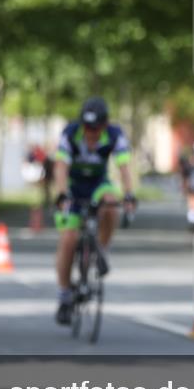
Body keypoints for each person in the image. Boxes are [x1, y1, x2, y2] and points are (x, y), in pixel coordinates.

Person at [52, 97, 137, 324]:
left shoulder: (115, 134)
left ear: (104, 125)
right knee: (68, 239)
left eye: (96, 129)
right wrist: (61, 194)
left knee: (111, 202)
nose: (91, 134)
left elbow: (124, 167)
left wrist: (129, 194)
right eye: (87, 128)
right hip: (72, 186)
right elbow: (61, 166)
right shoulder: (70, 133)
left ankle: (101, 248)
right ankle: (64, 294)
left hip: (98, 185)